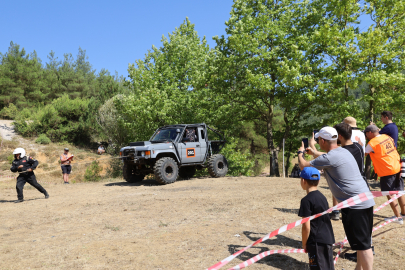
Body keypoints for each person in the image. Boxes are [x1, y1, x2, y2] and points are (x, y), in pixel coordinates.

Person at [299, 127, 375, 270]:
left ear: (322, 140)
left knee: (364, 246)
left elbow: (303, 166)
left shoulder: (329, 157)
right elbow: (325, 156)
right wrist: (314, 152)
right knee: (361, 244)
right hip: (365, 200)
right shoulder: (343, 151)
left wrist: (300, 152)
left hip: (355, 205)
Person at [364, 124, 405, 224]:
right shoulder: (387, 137)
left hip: (386, 170)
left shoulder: (372, 142)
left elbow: (363, 153)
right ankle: (403, 214)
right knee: (400, 191)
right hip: (396, 166)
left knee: (389, 194)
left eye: (366, 134)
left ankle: (398, 217)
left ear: (370, 133)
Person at [298, 167, 335, 270]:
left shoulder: (306, 200)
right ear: (318, 181)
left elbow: (306, 226)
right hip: (327, 238)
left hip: (316, 241)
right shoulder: (322, 197)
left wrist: (304, 243)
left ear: (303, 181)